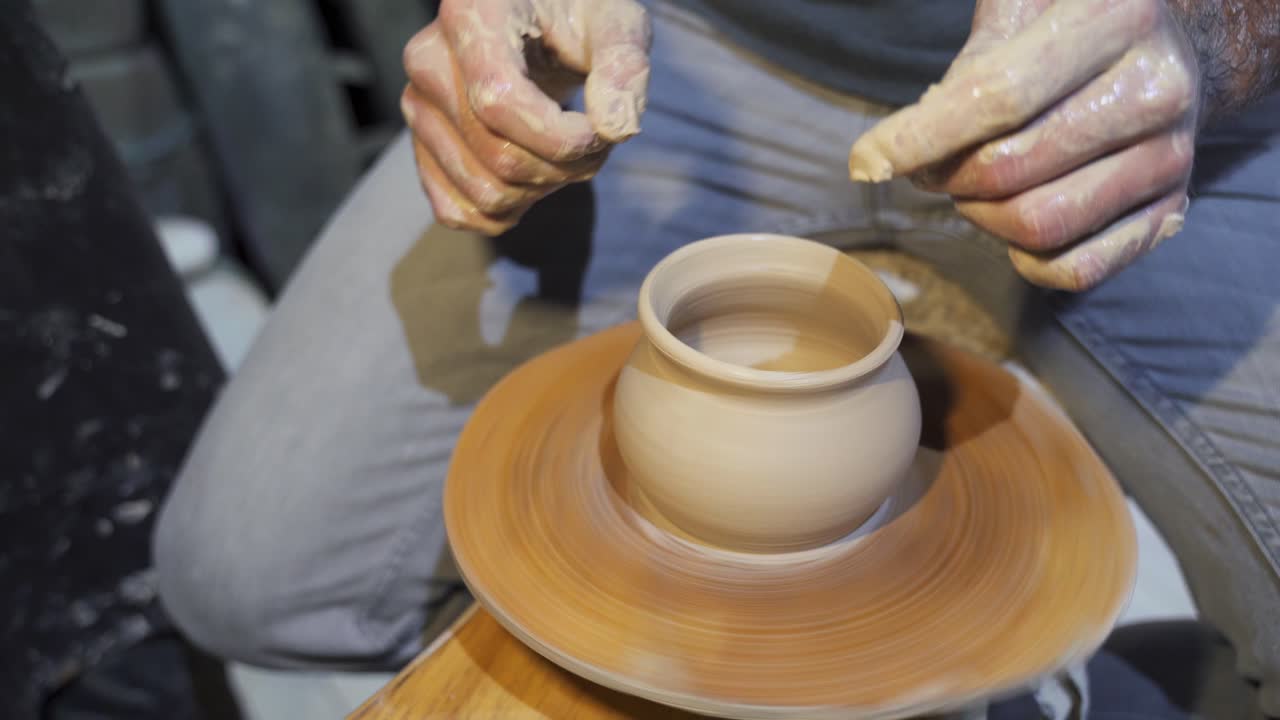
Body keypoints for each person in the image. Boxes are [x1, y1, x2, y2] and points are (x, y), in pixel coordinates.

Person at [152, 0, 1280, 717]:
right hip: (693, 47)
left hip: (1150, 65)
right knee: (245, 574)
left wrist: (1215, 32)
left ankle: (1107, 687)